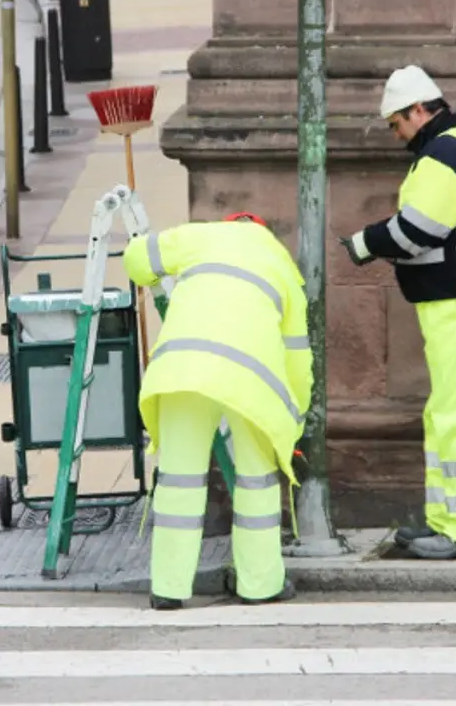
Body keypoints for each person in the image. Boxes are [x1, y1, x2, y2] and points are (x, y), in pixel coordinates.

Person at [338, 65, 456, 561]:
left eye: (397, 123)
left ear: (418, 110)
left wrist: (365, 243)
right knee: (446, 412)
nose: (396, 135)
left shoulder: (443, 154)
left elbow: (417, 229)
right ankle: (445, 521)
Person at [122, 211, 313, 610]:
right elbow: (298, 360)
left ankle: (168, 587)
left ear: (229, 224)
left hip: (183, 368)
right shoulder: (285, 269)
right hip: (253, 381)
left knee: (179, 479)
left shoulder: (201, 237)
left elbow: (136, 259)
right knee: (257, 479)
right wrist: (293, 423)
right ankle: (259, 585)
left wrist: (151, 273)